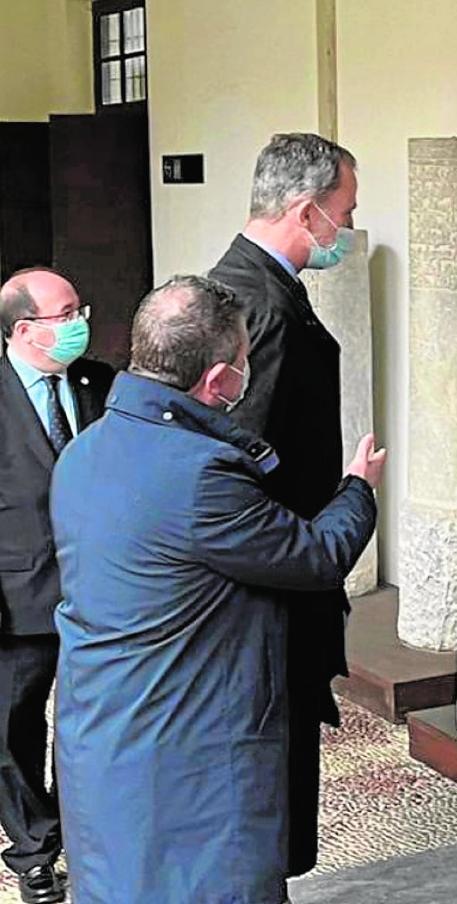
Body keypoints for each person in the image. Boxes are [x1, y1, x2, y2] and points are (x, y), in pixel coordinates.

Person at [50, 275, 383, 904]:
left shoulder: (84, 452)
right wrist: (357, 489)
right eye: (244, 361)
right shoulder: (201, 475)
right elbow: (313, 557)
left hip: (101, 737)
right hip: (189, 755)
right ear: (219, 382)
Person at [207, 131, 358, 876]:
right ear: (307, 211)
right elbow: (240, 469)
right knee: (262, 794)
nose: (348, 232)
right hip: (267, 595)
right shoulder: (256, 305)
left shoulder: (251, 283)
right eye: (345, 213)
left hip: (278, 583)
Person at [0, 268, 112, 904]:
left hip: (98, 594)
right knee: (12, 733)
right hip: (17, 603)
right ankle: (35, 850)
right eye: (66, 314)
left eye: (80, 309)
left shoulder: (100, 381)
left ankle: (92, 836)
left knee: (93, 725)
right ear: (24, 330)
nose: (80, 324)